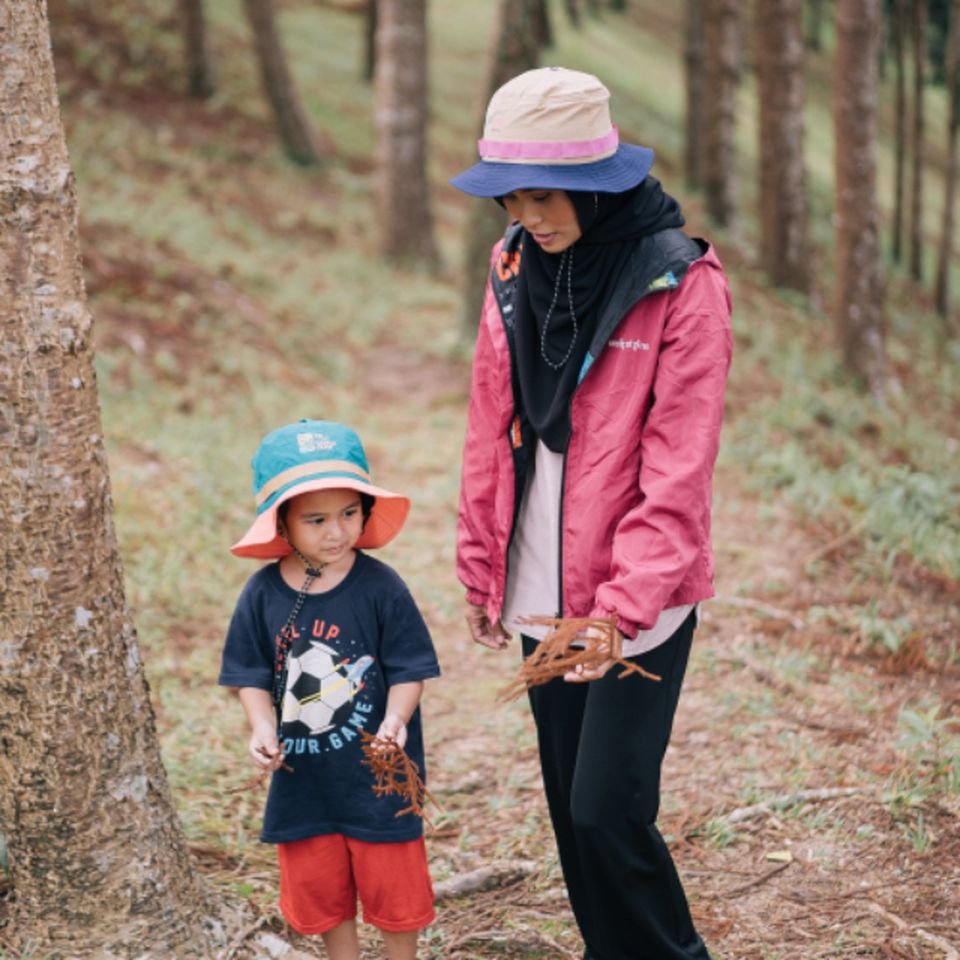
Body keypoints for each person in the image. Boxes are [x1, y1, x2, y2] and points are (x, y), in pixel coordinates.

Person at [451, 67, 732, 960]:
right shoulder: (513, 267)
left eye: (541, 195)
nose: (525, 216)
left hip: (631, 595)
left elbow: (676, 476)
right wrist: (480, 561)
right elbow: (489, 421)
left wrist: (616, 614)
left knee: (606, 808)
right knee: (569, 809)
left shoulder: (681, 284)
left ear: (595, 183)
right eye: (510, 199)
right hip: (539, 573)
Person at [219, 419, 440, 960]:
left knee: (395, 887)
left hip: (379, 776)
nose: (336, 532)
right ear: (283, 524)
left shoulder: (381, 587)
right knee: (322, 889)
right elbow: (248, 672)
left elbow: (409, 666)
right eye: (315, 519)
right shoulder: (262, 593)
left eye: (348, 513)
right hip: (304, 779)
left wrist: (397, 720)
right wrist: (262, 726)